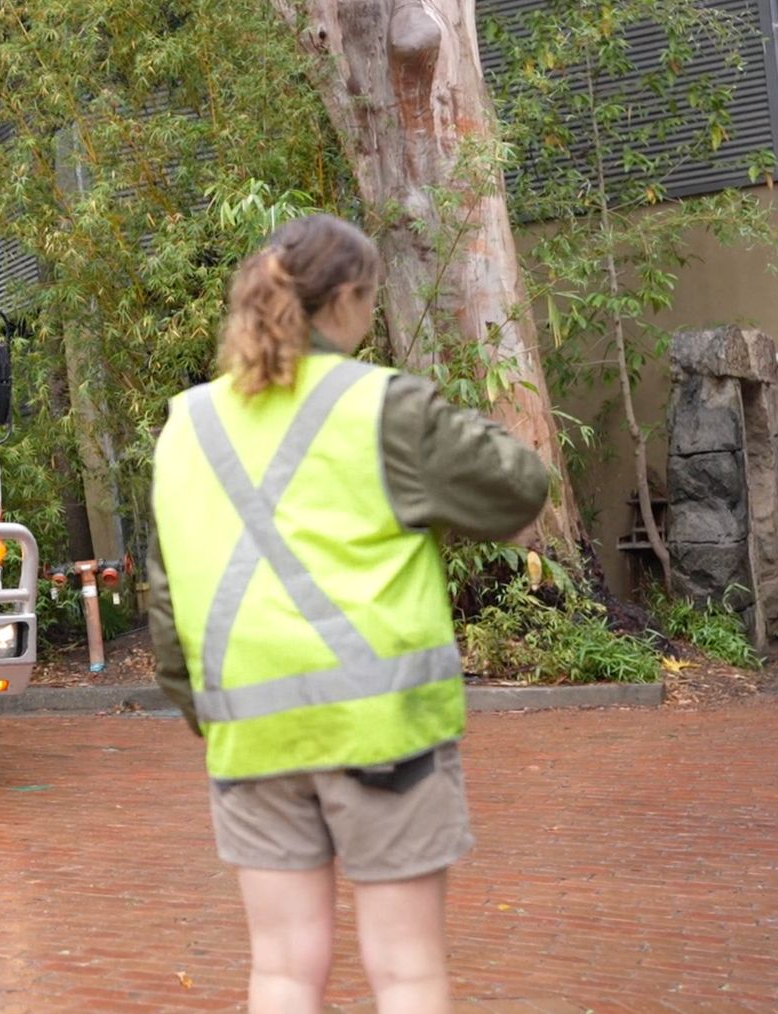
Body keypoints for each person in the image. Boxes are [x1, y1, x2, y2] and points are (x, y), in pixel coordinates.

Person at [148, 214, 548, 1013]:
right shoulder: (382, 406)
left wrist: (210, 712)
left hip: (251, 732)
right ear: (352, 299)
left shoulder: (185, 424)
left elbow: (166, 601)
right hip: (383, 733)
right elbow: (518, 488)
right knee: (405, 970)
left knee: (283, 973)